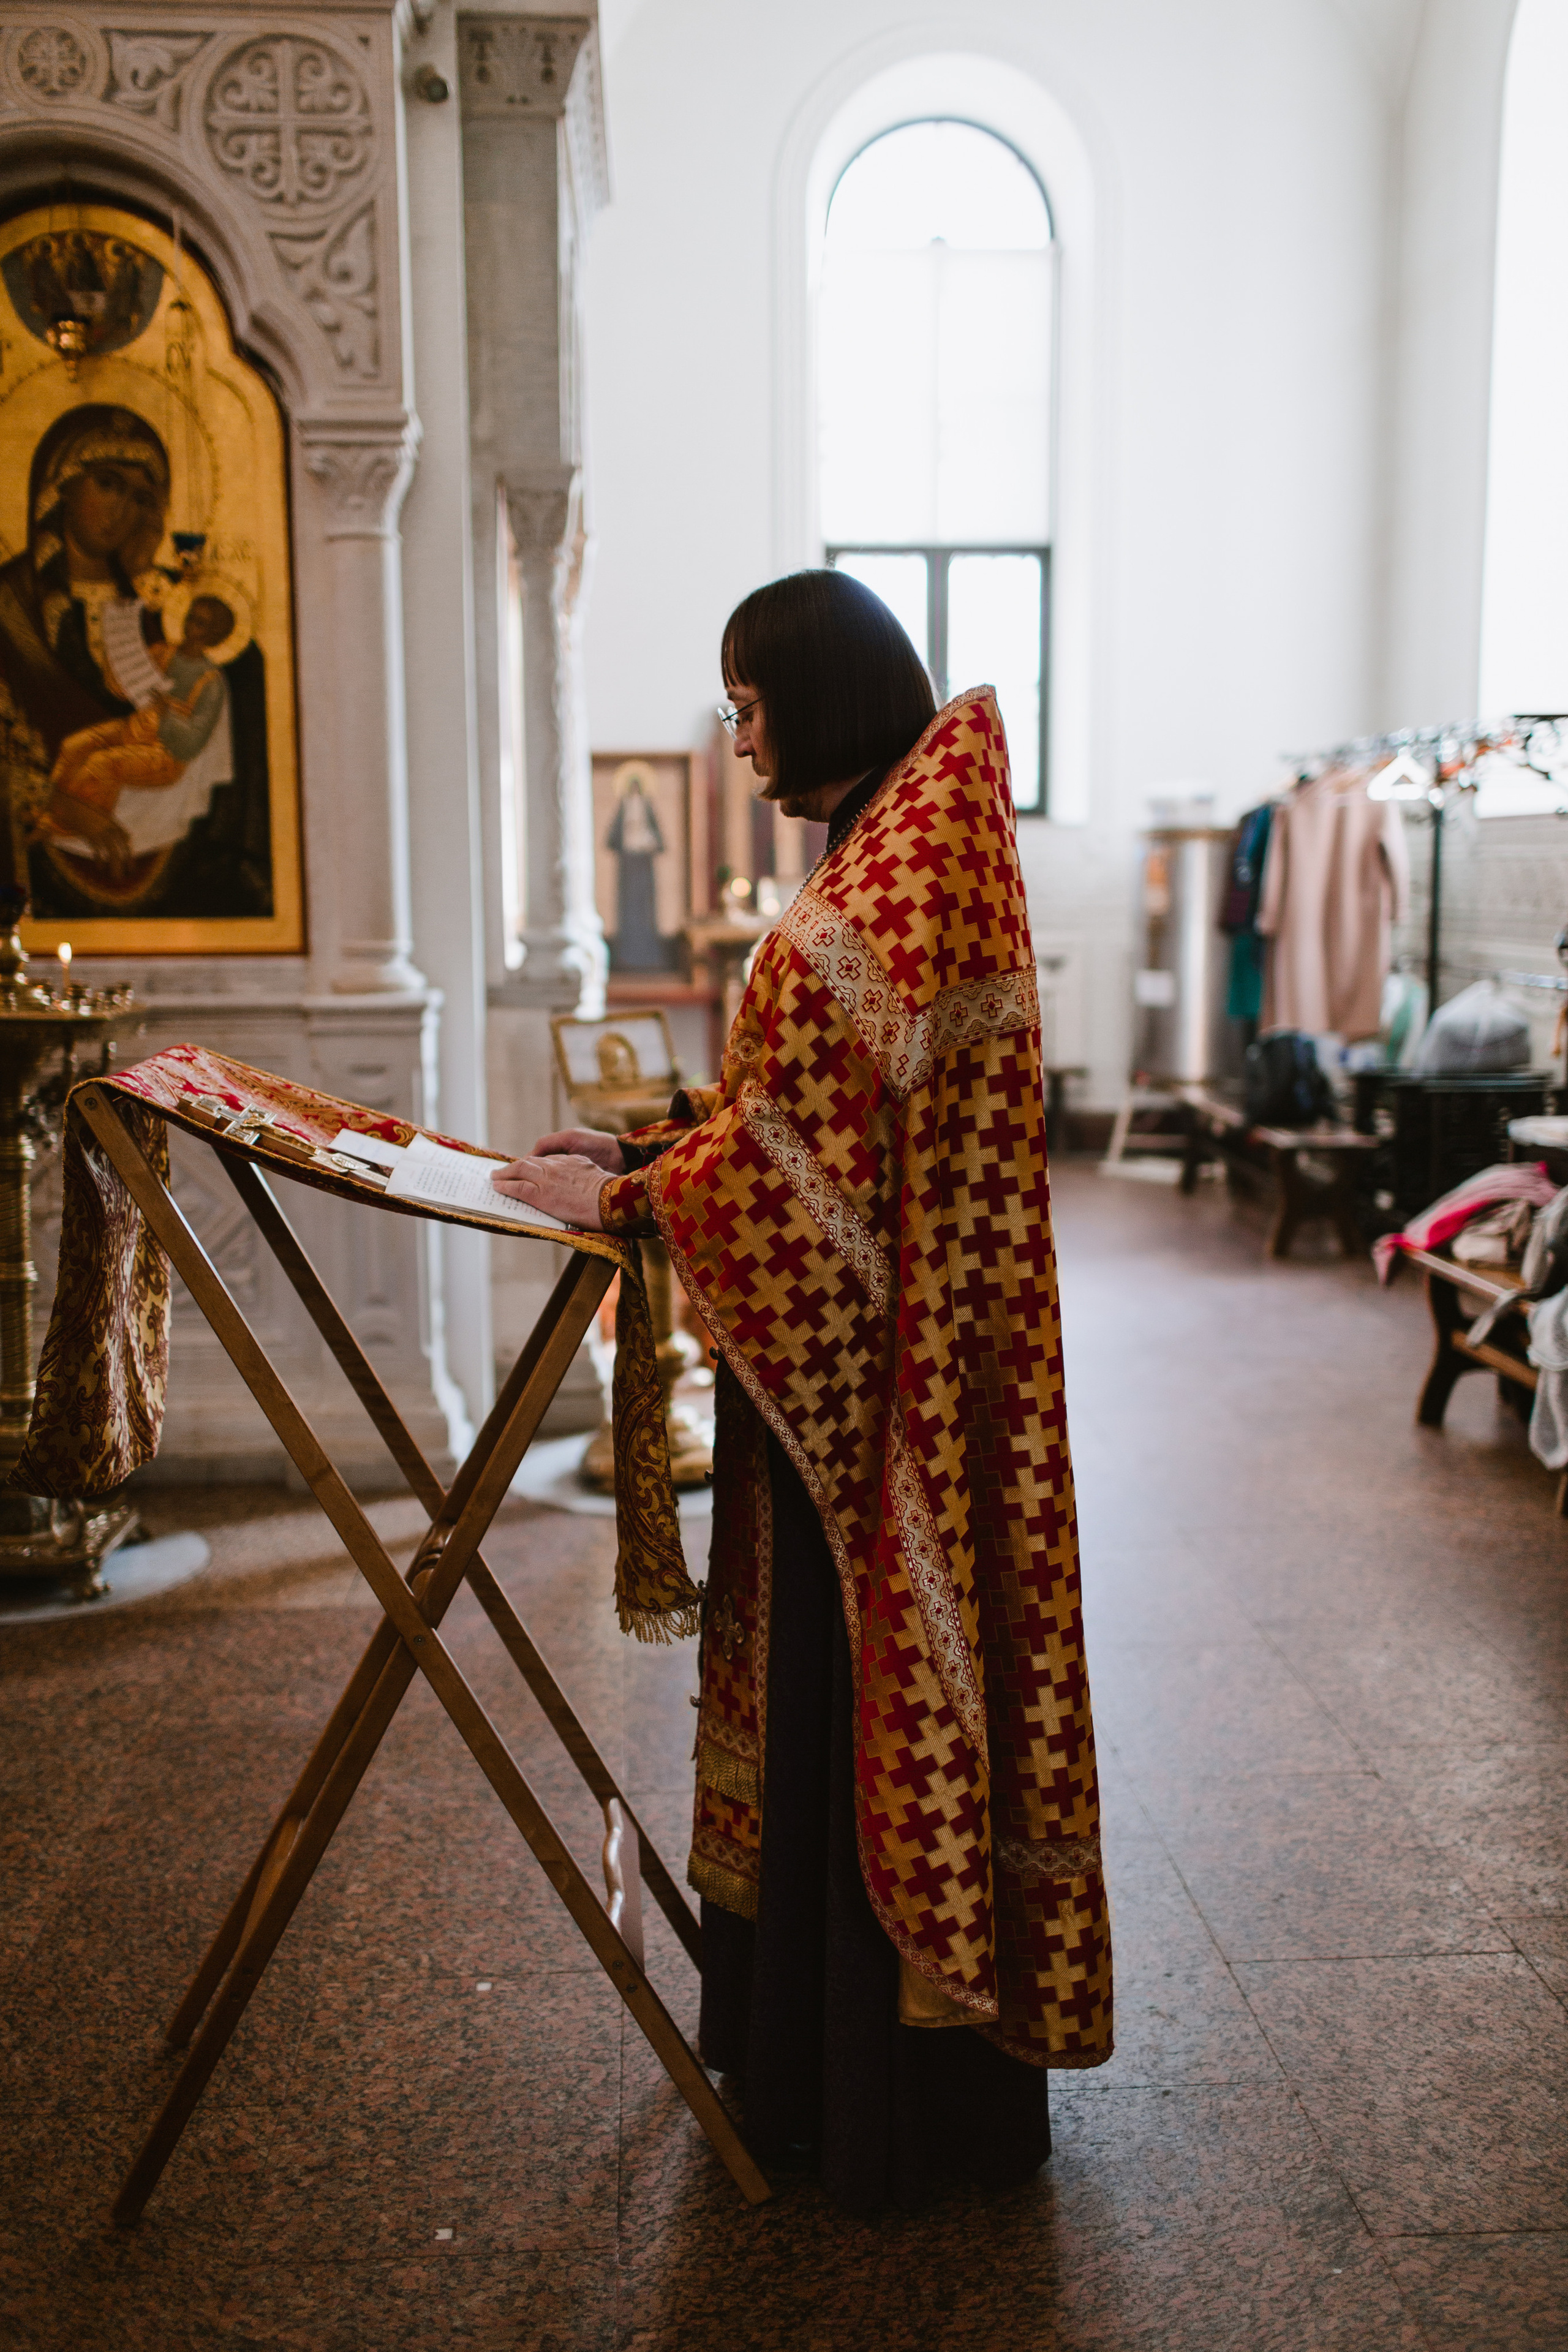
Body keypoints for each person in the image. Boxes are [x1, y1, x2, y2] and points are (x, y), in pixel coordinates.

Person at [492, 568, 1112, 2211]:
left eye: (750, 702)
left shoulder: (889, 870)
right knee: (825, 1712)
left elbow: (808, 1176)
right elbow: (800, 1122)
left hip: (871, 1419)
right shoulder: (895, 840)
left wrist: (635, 1200)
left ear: (820, 700)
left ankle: (873, 2097)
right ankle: (818, 2064)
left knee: (856, 1712)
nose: (737, 731)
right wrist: (648, 1151)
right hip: (851, 1387)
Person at [41, 595, 234, 880]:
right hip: (134, 730)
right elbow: (120, 689)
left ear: (215, 636)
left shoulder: (211, 684)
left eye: (201, 624)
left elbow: (191, 744)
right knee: (74, 745)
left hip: (165, 754)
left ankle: (80, 830)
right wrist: (118, 657)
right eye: (191, 617)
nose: (190, 626)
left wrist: (167, 713)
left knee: (102, 764)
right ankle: (56, 814)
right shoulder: (162, 652)